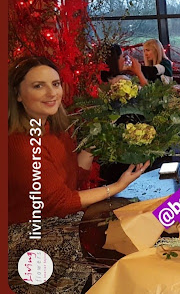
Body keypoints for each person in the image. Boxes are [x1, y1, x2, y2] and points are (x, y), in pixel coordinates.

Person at [8, 57, 150, 292]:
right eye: (38, 86)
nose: (51, 93)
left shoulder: (51, 128)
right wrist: (117, 186)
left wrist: (91, 145)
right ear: (18, 94)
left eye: (55, 84)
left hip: (60, 218)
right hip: (28, 232)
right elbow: (61, 201)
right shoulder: (19, 144)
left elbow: (72, 179)